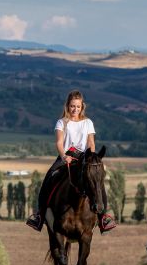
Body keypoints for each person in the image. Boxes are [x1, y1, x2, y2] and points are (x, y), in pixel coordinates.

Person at [26, 90, 116, 234]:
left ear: (82, 107)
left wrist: (90, 157)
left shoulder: (88, 123)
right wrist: (63, 156)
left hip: (84, 158)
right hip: (66, 156)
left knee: (98, 181)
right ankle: (39, 216)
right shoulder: (62, 122)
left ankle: (103, 217)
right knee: (49, 178)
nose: (75, 109)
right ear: (68, 106)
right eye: (72, 106)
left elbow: (91, 143)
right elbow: (59, 142)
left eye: (78, 106)